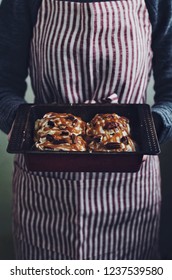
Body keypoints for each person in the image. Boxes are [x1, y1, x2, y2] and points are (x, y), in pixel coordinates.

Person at [0, 0, 172, 260]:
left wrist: (151, 128)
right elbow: (3, 82)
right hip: (45, 195)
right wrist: (18, 122)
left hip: (129, 192)